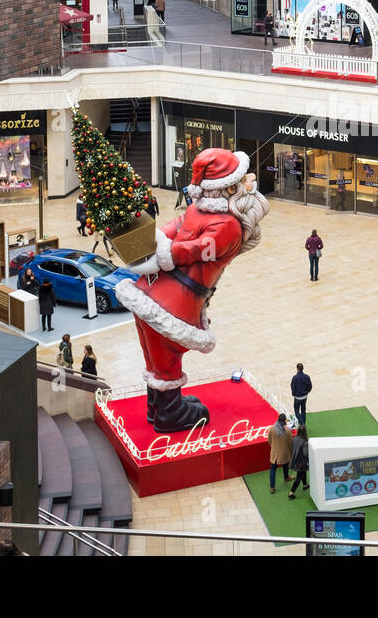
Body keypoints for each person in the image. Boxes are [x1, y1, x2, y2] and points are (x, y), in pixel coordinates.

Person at [114, 151, 271, 432]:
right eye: (244, 178)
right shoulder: (229, 225)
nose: (251, 181)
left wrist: (147, 243)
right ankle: (170, 413)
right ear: (228, 188)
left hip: (149, 292)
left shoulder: (196, 209)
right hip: (174, 304)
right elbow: (197, 249)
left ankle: (156, 407)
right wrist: (162, 250)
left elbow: (171, 230)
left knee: (155, 359)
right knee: (168, 356)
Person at [267, 413, 292, 493]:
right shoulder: (288, 431)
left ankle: (272, 487)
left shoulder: (271, 428)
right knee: (285, 465)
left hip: (275, 453)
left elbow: (269, 441)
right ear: (285, 420)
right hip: (284, 452)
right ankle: (286, 477)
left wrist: (274, 446)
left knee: (273, 469)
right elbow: (290, 443)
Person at [286, 425, 310, 498]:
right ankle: (291, 492)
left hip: (295, 459)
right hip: (302, 462)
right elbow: (306, 453)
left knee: (302, 472)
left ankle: (305, 484)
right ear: (305, 432)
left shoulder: (294, 438)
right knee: (299, 476)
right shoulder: (305, 441)